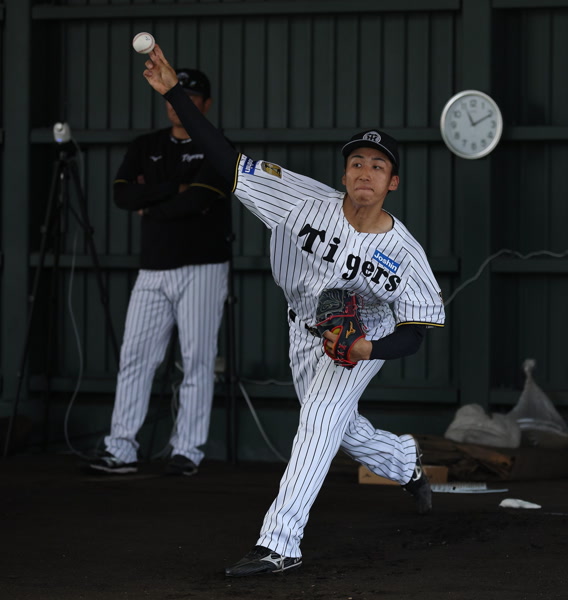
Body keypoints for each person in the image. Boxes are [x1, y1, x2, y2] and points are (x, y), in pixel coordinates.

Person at [141, 45, 446, 577]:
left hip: (362, 334)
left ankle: (279, 543)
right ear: (344, 173)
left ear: (392, 182)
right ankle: (405, 462)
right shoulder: (301, 201)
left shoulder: (405, 253)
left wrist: (367, 347)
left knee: (319, 422)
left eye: (378, 166)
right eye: (357, 163)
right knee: (342, 430)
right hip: (304, 331)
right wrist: (175, 95)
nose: (365, 172)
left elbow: (416, 331)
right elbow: (225, 159)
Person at [85, 68, 232, 477]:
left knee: (197, 360)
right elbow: (121, 195)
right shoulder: (146, 145)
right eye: (175, 96)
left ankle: (187, 451)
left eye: (190, 97)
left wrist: (149, 204)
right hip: (152, 268)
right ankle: (121, 449)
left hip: (203, 266)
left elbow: (199, 200)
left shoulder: (217, 145)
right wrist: (173, 189)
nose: (178, 104)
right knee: (135, 357)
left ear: (205, 104)